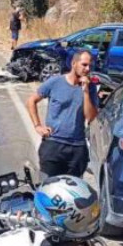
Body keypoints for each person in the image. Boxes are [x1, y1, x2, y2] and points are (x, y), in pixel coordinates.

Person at [24, 50, 100, 179]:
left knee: (73, 189)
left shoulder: (90, 87)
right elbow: (31, 101)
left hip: (77, 147)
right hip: (54, 144)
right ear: (73, 63)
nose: (87, 69)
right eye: (84, 65)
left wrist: (86, 91)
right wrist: (38, 126)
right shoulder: (55, 82)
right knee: (48, 186)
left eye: (90, 66)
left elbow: (91, 117)